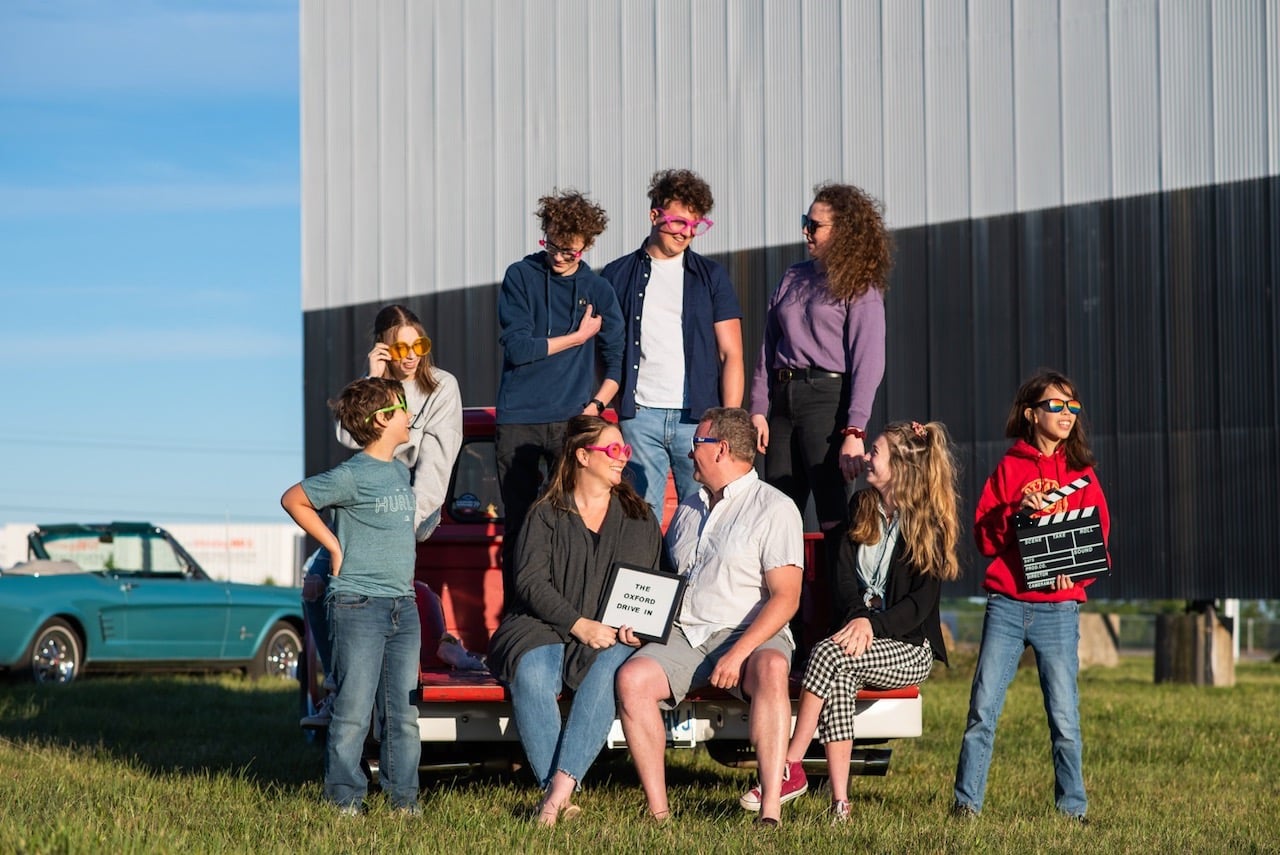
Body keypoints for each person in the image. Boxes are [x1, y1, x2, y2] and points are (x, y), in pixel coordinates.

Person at [738, 421, 961, 822]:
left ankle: (790, 765)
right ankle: (840, 803)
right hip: (857, 638)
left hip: (908, 646)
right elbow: (841, 580)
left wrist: (872, 627)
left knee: (828, 652)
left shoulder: (930, 526)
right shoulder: (860, 508)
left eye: (875, 452)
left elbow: (920, 606)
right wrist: (859, 617)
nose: (865, 458)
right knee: (838, 672)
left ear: (902, 465)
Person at [616, 407, 804, 826]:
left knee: (773, 668)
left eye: (696, 443)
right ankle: (659, 813)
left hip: (750, 632)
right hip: (687, 633)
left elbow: (786, 599)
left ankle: (770, 807)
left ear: (721, 449)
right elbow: (669, 580)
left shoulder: (775, 508)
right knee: (632, 679)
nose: (689, 452)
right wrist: (641, 623)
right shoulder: (688, 505)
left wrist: (738, 654)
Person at [300, 305, 477, 728]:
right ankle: (339, 689)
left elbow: (438, 461)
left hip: (411, 508)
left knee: (382, 595)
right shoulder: (376, 386)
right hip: (365, 507)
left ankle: (372, 689)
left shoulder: (441, 388)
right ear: (383, 348)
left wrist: (408, 522)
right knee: (313, 584)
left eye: (420, 344)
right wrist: (373, 379)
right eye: (401, 347)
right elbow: (349, 435)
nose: (412, 355)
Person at [486, 416, 662, 826]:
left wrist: (635, 625)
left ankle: (553, 798)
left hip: (614, 631)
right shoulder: (546, 512)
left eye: (625, 450)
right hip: (542, 622)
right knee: (530, 675)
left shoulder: (639, 517)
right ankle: (561, 797)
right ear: (583, 456)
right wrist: (578, 623)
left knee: (606, 673)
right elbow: (529, 582)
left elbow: (651, 584)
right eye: (613, 450)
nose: (623, 458)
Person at [952, 369, 1110, 823]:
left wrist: (1076, 577)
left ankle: (1072, 809)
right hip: (1006, 605)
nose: (1066, 413)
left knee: (1064, 717)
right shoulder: (1010, 467)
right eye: (1055, 405)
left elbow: (1098, 534)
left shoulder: (1082, 473)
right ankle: (966, 805)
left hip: (1059, 609)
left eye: (1072, 406)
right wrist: (1013, 512)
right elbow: (984, 538)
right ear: (1031, 413)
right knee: (982, 711)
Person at [281, 377, 422, 815]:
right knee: (354, 711)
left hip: (403, 605)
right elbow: (294, 499)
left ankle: (405, 802)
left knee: (402, 715)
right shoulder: (351, 475)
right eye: (402, 406)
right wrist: (335, 547)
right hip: (358, 605)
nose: (409, 413)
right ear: (383, 420)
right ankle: (345, 800)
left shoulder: (400, 469)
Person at [748, 182, 893, 561]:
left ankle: (844, 608)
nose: (805, 232)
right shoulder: (793, 276)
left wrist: (854, 430)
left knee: (833, 514)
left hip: (826, 400)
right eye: (805, 222)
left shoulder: (860, 285)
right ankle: (785, 614)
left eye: (815, 225)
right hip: (782, 399)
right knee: (778, 509)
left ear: (843, 231)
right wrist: (758, 409)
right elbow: (768, 346)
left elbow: (868, 361)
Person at [496, 189, 624, 591]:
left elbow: (616, 360)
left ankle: (567, 611)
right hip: (519, 418)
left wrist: (595, 407)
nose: (558, 255)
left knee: (569, 521)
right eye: (551, 244)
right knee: (519, 523)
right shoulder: (521, 275)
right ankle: (517, 617)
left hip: (572, 421)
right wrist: (577, 336)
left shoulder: (598, 289)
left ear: (587, 245)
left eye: (569, 250)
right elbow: (518, 349)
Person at [601, 169, 744, 522]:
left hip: (697, 422)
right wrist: (614, 407)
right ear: (654, 216)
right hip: (639, 417)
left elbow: (732, 353)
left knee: (705, 515)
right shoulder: (616, 275)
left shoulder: (711, 276)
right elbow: (603, 350)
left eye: (695, 225)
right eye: (679, 222)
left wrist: (728, 421)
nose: (687, 232)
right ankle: (645, 580)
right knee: (638, 518)